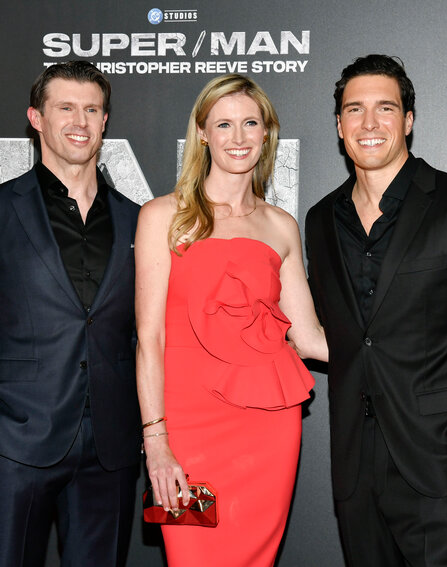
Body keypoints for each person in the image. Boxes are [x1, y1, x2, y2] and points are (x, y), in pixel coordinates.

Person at [305, 54, 447, 566]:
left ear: (408, 120)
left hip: (441, 463)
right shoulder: (322, 219)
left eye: (385, 108)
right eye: (354, 110)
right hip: (353, 466)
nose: (369, 124)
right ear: (339, 125)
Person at [0, 61, 141, 567]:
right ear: (36, 118)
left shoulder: (139, 219)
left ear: (105, 121)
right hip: (16, 442)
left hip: (111, 449)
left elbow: (149, 334)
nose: (80, 120)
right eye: (65, 107)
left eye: (92, 109)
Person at [135, 73, 327, 567]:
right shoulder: (164, 216)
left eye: (250, 123)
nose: (238, 138)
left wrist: (415, 340)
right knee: (192, 556)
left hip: (268, 428)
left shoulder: (281, 225)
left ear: (267, 133)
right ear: (202, 133)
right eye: (224, 124)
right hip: (187, 428)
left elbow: (308, 339)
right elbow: (149, 338)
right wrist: (156, 440)